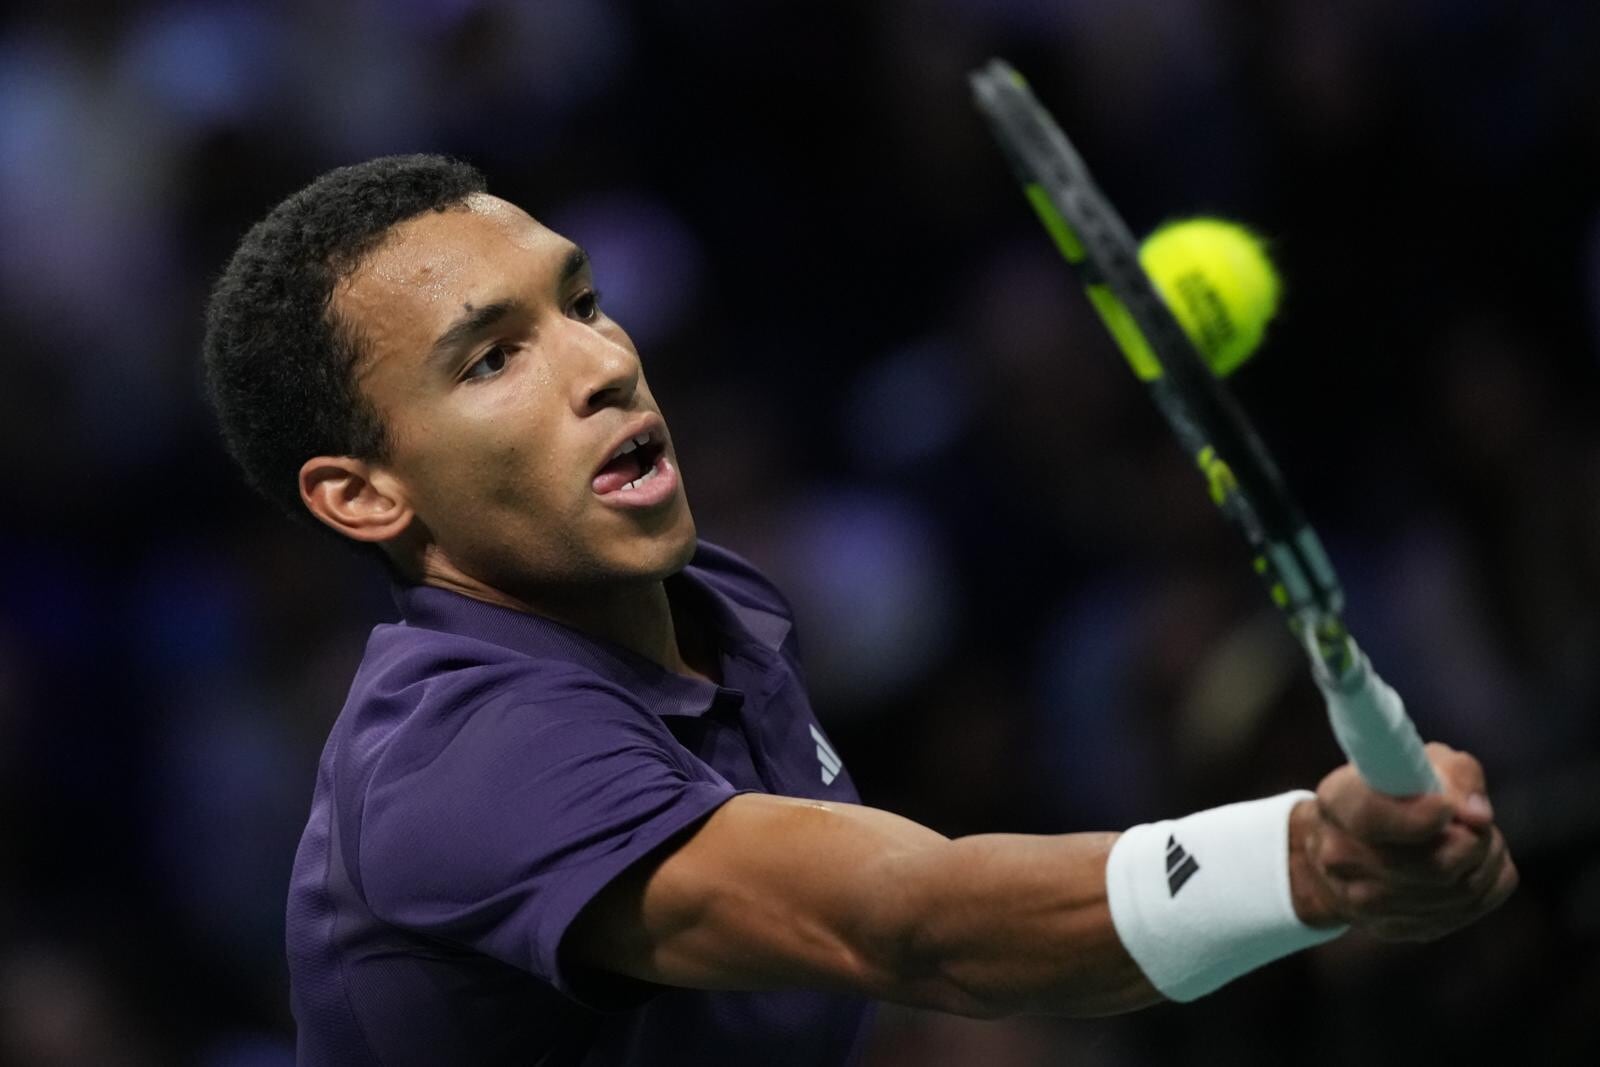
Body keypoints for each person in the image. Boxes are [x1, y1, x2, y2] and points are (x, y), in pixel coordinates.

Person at [202, 155, 1517, 1066]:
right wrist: (1307, 860)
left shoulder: (706, 602)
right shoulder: (467, 761)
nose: (604, 363)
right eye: (493, 358)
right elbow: (909, 924)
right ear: (362, 495)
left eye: (585, 303)